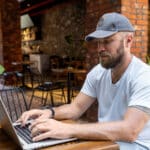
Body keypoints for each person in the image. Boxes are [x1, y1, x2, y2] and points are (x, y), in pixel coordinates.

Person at [18, 12, 150, 150]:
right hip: (106, 143)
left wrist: (67, 129)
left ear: (128, 40)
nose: (100, 48)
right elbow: (76, 108)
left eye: (107, 41)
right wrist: (50, 112)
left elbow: (130, 131)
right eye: (99, 42)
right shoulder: (98, 72)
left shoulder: (144, 76)